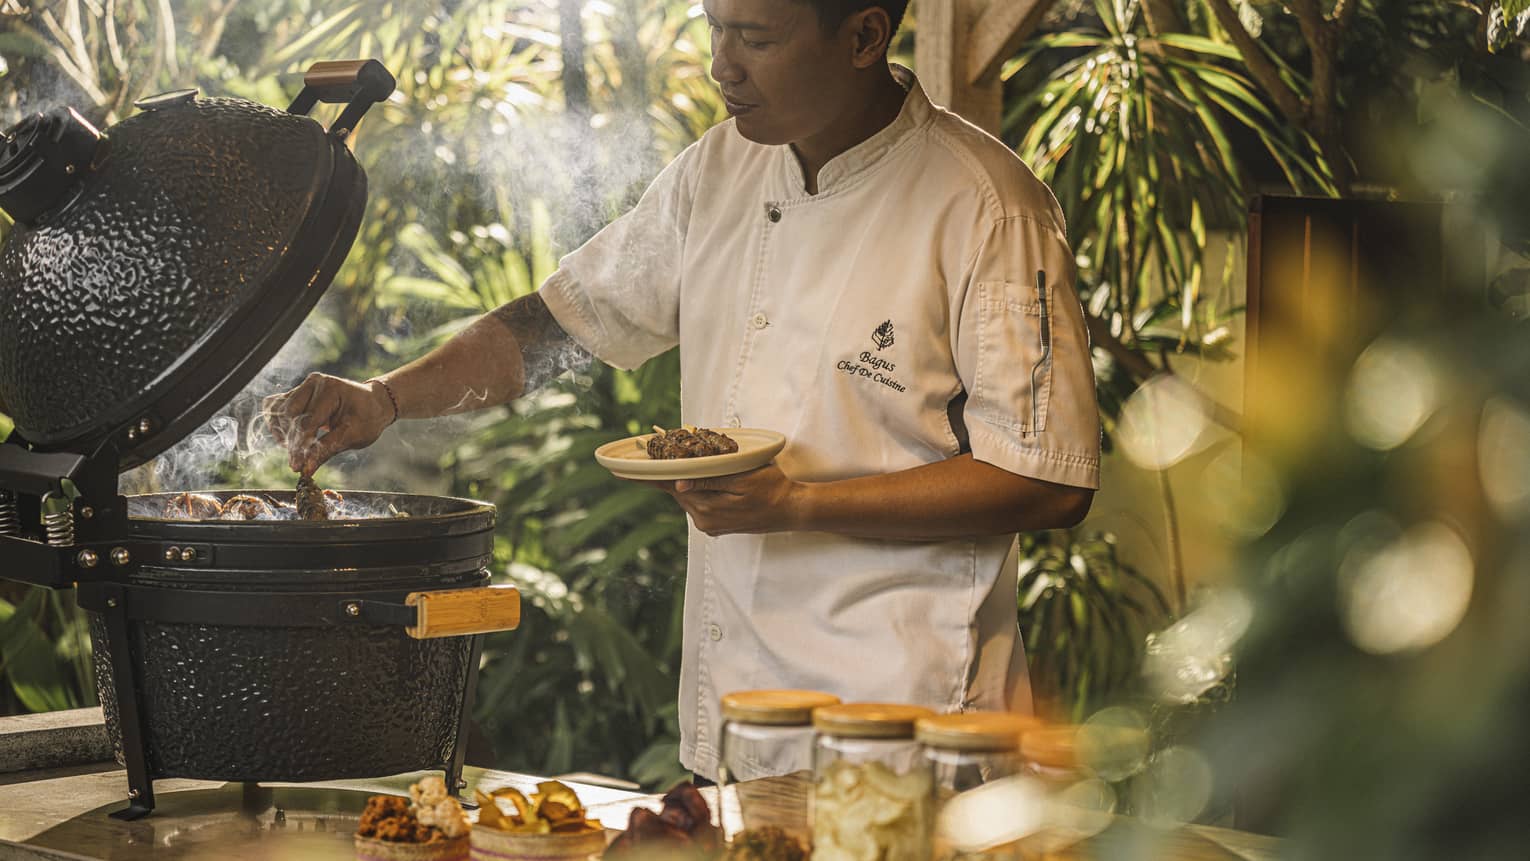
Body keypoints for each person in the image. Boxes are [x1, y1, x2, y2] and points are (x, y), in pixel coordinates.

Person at [264, 0, 1100, 782]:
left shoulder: (989, 207)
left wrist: (799, 504)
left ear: (863, 37)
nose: (721, 65)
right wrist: (384, 398)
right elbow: (563, 323)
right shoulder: (720, 167)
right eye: (714, 27)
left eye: (756, 38)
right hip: (737, 720)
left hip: (910, 727)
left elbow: (1048, 479)